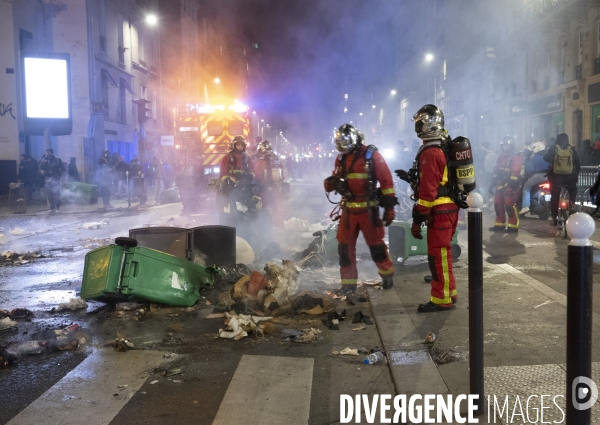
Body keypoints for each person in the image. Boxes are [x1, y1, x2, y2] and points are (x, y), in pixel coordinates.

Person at [323, 124, 397, 294]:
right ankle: (348, 284)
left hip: (368, 211)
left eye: (343, 143)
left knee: (376, 246)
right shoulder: (341, 159)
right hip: (348, 211)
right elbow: (337, 178)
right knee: (344, 248)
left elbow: (387, 183)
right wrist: (330, 183)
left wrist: (389, 209)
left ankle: (387, 275)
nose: (341, 148)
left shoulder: (372, 156)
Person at [405, 105, 459, 312]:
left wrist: (417, 220)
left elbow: (427, 193)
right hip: (449, 209)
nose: (417, 127)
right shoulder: (443, 146)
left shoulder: (431, 152)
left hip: (440, 211)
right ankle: (449, 292)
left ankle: (441, 299)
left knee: (437, 256)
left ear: (427, 124)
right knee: (444, 255)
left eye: (419, 123)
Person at [543, 132, 580, 225]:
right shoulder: (571, 149)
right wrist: (575, 175)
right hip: (570, 178)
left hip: (556, 178)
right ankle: (571, 205)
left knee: (555, 197)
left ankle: (555, 218)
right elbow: (577, 163)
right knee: (572, 190)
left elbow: (546, 158)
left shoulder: (553, 148)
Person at [488, 136, 523, 233]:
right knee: (497, 204)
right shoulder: (501, 156)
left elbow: (515, 171)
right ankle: (500, 224)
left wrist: (512, 181)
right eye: (504, 145)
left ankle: (513, 226)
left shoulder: (515, 157)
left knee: (509, 205)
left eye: (507, 145)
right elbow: (497, 169)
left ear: (511, 146)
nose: (506, 147)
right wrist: (492, 183)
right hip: (500, 184)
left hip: (511, 185)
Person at [254, 140, 285, 227]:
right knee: (277, 207)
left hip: (264, 190)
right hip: (276, 189)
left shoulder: (260, 162)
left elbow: (257, 176)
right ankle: (279, 226)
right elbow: (282, 176)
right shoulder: (277, 160)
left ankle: (265, 227)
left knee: (263, 209)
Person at [519, 142, 549, 215]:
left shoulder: (535, 157)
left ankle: (525, 206)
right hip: (548, 176)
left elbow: (530, 169)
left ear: (537, 148)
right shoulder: (547, 156)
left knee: (526, 187)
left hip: (538, 176)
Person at [38, 148, 65, 213]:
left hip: (56, 178)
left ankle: (58, 207)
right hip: (47, 179)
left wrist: (60, 176)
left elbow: (62, 168)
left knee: (56, 193)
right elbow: (39, 168)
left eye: (49, 152)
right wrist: (43, 172)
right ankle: (52, 207)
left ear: (52, 153)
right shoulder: (43, 160)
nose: (48, 153)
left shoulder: (57, 160)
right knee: (49, 194)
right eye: (47, 152)